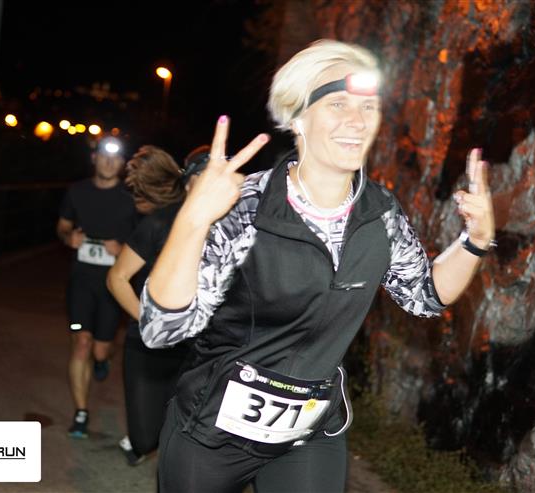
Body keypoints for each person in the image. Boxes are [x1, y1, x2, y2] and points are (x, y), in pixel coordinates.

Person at [139, 39, 496, 492]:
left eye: (368, 107)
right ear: (297, 118)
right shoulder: (246, 207)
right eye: (337, 104)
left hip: (306, 435)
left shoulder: (380, 214)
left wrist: (475, 241)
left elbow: (424, 295)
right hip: (211, 434)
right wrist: (193, 219)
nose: (357, 121)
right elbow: (162, 329)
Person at [106, 145, 209, 466]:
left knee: (191, 431)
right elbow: (117, 278)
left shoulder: (233, 225)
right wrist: (151, 321)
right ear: (188, 181)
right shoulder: (160, 222)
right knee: (145, 438)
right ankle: (142, 438)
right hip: (148, 346)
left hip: (200, 349)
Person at [56, 136, 136, 439]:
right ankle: (81, 412)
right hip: (81, 281)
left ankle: (103, 359)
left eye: (115, 158)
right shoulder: (77, 191)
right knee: (81, 342)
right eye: (104, 156)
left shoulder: (131, 197)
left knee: (101, 348)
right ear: (94, 158)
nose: (109, 162)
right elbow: (63, 225)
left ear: (122, 163)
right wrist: (69, 237)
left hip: (114, 286)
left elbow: (147, 239)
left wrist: (123, 248)